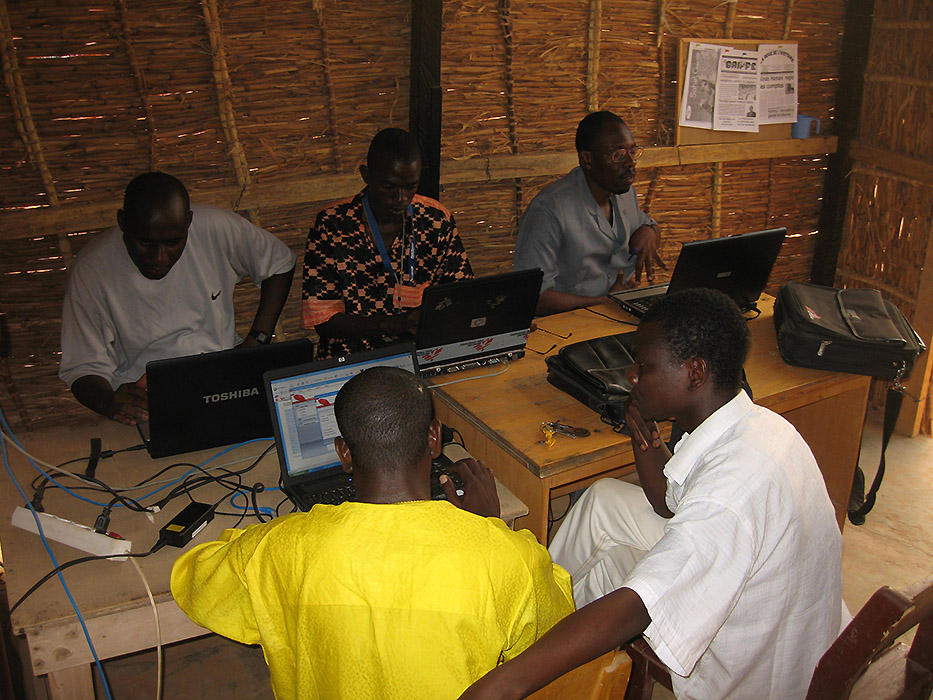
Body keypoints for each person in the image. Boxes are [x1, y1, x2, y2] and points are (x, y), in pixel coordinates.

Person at [459, 288, 844, 700]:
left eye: (644, 367)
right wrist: (642, 433)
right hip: (782, 617)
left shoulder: (726, 498)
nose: (631, 377)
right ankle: (535, 615)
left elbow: (641, 604)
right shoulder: (758, 424)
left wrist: (504, 685)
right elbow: (667, 504)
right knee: (604, 500)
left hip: (754, 674)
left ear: (695, 373)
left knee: (614, 582)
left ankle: (529, 649)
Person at [171, 366, 574, 700]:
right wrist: (488, 527)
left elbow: (195, 583)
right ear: (434, 438)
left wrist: (262, 538)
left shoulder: (278, 548)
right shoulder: (507, 558)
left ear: (344, 453)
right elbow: (554, 632)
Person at [59, 171, 295, 426]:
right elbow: (82, 367)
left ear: (189, 223)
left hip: (223, 382)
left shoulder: (214, 227)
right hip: (148, 401)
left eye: (173, 242)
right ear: (123, 222)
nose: (160, 257)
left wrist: (258, 339)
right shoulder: (92, 271)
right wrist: (108, 402)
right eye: (145, 242)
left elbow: (279, 262)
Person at [302, 128, 473, 358]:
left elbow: (462, 295)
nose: (401, 198)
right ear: (366, 175)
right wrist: (389, 324)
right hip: (350, 357)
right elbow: (323, 320)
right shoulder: (332, 225)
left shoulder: (435, 220)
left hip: (421, 353)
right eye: (389, 187)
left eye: (410, 187)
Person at [513, 111, 665, 316]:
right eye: (618, 155)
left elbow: (649, 225)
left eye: (632, 151)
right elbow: (533, 297)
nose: (630, 162)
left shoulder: (624, 193)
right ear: (587, 159)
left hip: (616, 314)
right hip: (565, 323)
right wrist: (604, 302)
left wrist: (649, 232)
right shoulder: (549, 210)